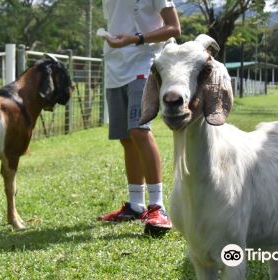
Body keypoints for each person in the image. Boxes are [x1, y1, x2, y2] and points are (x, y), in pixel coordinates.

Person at [97, 0, 181, 236]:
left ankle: (158, 206)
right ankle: (136, 206)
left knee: (139, 130)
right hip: (115, 66)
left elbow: (174, 28)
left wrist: (137, 39)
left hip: (144, 63)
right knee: (126, 137)